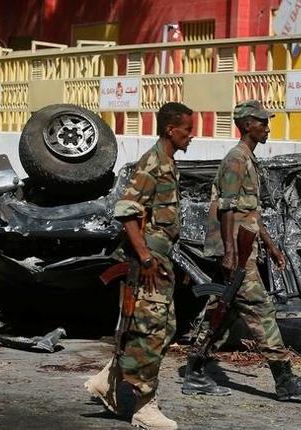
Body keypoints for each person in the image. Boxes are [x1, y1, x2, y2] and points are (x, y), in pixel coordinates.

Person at [181, 100, 301, 402]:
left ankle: (194, 369)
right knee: (262, 311)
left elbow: (251, 213)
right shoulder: (236, 159)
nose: (267, 127)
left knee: (223, 311)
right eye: (262, 122)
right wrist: (231, 254)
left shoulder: (248, 159)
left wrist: (271, 247)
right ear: (247, 126)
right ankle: (285, 380)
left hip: (246, 249)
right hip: (237, 253)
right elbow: (228, 209)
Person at [84, 102, 193, 430]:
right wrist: (145, 256)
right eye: (187, 129)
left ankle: (111, 379)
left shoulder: (168, 163)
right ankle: (144, 405)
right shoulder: (152, 163)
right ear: (171, 130)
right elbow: (127, 211)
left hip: (160, 259)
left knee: (165, 327)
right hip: (149, 262)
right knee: (150, 332)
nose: (192, 135)